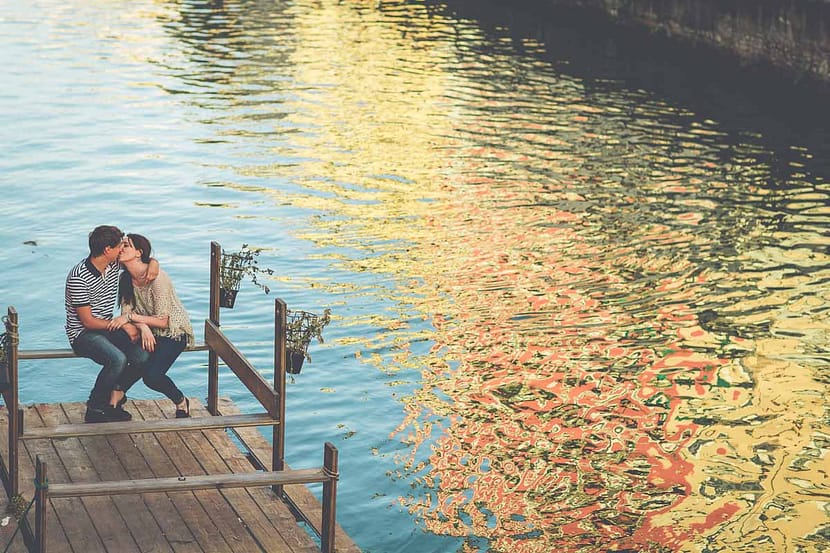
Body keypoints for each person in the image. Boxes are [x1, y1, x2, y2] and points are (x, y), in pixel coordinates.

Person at [65, 225, 158, 423]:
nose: (122, 250)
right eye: (119, 246)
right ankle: (95, 407)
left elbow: (140, 261)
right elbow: (88, 321)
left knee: (143, 354)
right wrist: (124, 324)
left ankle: (115, 396)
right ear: (108, 250)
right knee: (117, 359)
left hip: (106, 328)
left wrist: (154, 263)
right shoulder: (79, 277)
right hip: (82, 334)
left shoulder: (113, 264)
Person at [109, 233, 194, 417]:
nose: (121, 249)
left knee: (152, 377)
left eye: (126, 246)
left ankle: (181, 401)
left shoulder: (157, 278)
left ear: (138, 253)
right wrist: (143, 326)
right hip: (149, 331)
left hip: (173, 332)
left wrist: (134, 319)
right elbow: (126, 315)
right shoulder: (125, 279)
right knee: (136, 356)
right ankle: (116, 396)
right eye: (120, 246)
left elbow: (164, 320)